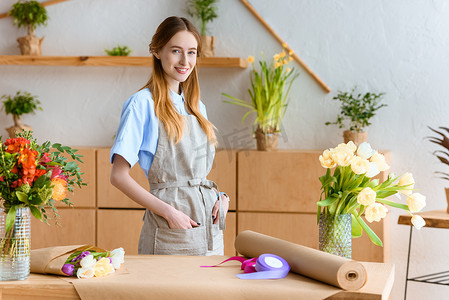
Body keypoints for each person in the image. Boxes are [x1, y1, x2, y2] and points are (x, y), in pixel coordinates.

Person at [110, 16, 229, 256]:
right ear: (156, 51)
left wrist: (220, 198)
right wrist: (169, 213)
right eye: (176, 51)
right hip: (170, 229)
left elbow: (193, 174)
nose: (185, 61)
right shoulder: (142, 104)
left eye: (192, 52)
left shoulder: (196, 106)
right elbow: (118, 177)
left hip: (209, 227)